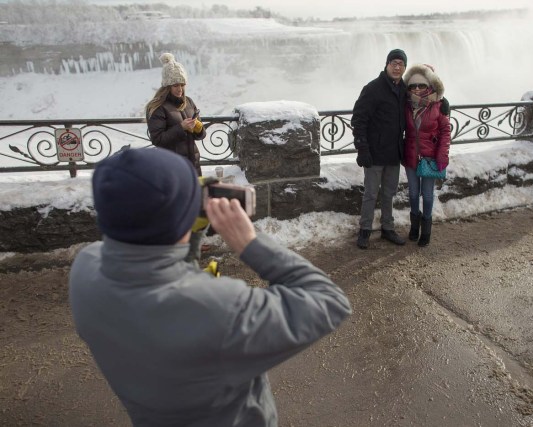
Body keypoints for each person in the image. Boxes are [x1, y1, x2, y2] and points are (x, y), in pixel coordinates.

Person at [68, 148, 352, 427]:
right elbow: (328, 300)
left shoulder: (85, 268)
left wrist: (185, 227)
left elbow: (161, 270)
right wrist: (249, 243)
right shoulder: (221, 309)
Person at [145, 52, 207, 263]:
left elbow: (200, 133)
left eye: (181, 84)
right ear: (166, 87)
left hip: (193, 162)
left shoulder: (188, 101)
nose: (179, 89)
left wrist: (198, 127)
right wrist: (181, 127)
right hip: (172, 166)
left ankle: (194, 242)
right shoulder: (158, 108)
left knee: (195, 204)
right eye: (175, 85)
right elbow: (158, 139)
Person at [352, 48, 408, 249]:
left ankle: (387, 228)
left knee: (389, 193)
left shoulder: (404, 89)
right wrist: (362, 149)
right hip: (374, 153)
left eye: (401, 64)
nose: (397, 66)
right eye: (393, 62)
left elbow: (424, 99)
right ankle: (365, 230)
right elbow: (359, 119)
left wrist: (442, 101)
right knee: (370, 194)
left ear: (404, 68)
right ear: (386, 65)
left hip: (394, 153)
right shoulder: (373, 88)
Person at [402, 64, 451, 246]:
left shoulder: (439, 106)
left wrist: (442, 157)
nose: (416, 89)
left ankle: (426, 230)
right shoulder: (406, 105)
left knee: (427, 195)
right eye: (413, 86)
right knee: (413, 194)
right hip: (411, 157)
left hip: (430, 158)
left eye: (421, 85)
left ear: (429, 86)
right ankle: (414, 226)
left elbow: (446, 132)